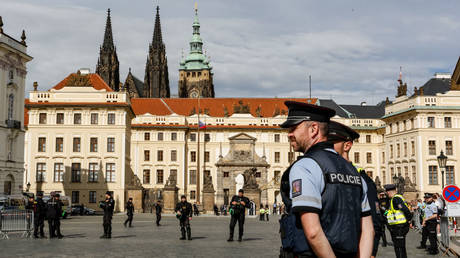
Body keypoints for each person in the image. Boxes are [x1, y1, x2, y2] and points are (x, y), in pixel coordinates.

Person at [278, 101, 374, 257]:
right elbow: (368, 229)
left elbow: (314, 232)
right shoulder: (354, 172)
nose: (289, 134)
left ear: (313, 129)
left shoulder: (305, 166)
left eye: (294, 128)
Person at [328, 121, 382, 258]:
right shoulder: (328, 174)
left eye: (331, 142)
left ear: (347, 145)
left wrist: (371, 252)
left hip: (356, 249)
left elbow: (374, 221)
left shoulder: (362, 179)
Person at [384, 184, 412, 258]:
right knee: (400, 247)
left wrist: (409, 220)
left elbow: (405, 209)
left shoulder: (396, 199)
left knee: (399, 248)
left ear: (389, 192)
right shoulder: (394, 199)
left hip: (399, 227)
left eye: (387, 193)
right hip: (397, 227)